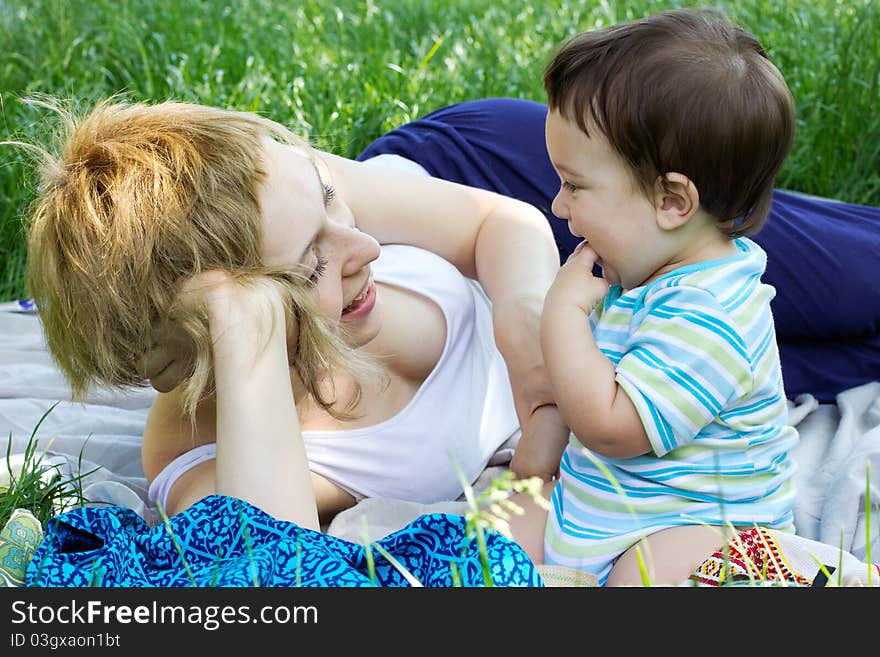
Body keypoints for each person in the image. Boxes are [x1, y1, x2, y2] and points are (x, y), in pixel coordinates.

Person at [23, 98, 567, 530]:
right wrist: (243, 320)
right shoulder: (198, 458)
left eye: (329, 197)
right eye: (310, 270)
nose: (367, 249)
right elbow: (270, 561)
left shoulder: (292, 203)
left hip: (487, 166)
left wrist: (526, 325)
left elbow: (496, 220)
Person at [501, 7, 802, 586]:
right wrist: (538, 464)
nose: (559, 207)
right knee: (495, 531)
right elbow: (588, 378)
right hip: (605, 513)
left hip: (704, 528)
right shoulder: (638, 269)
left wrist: (561, 317)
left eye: (574, 186)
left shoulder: (712, 314)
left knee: (650, 577)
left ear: (671, 201)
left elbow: (612, 428)